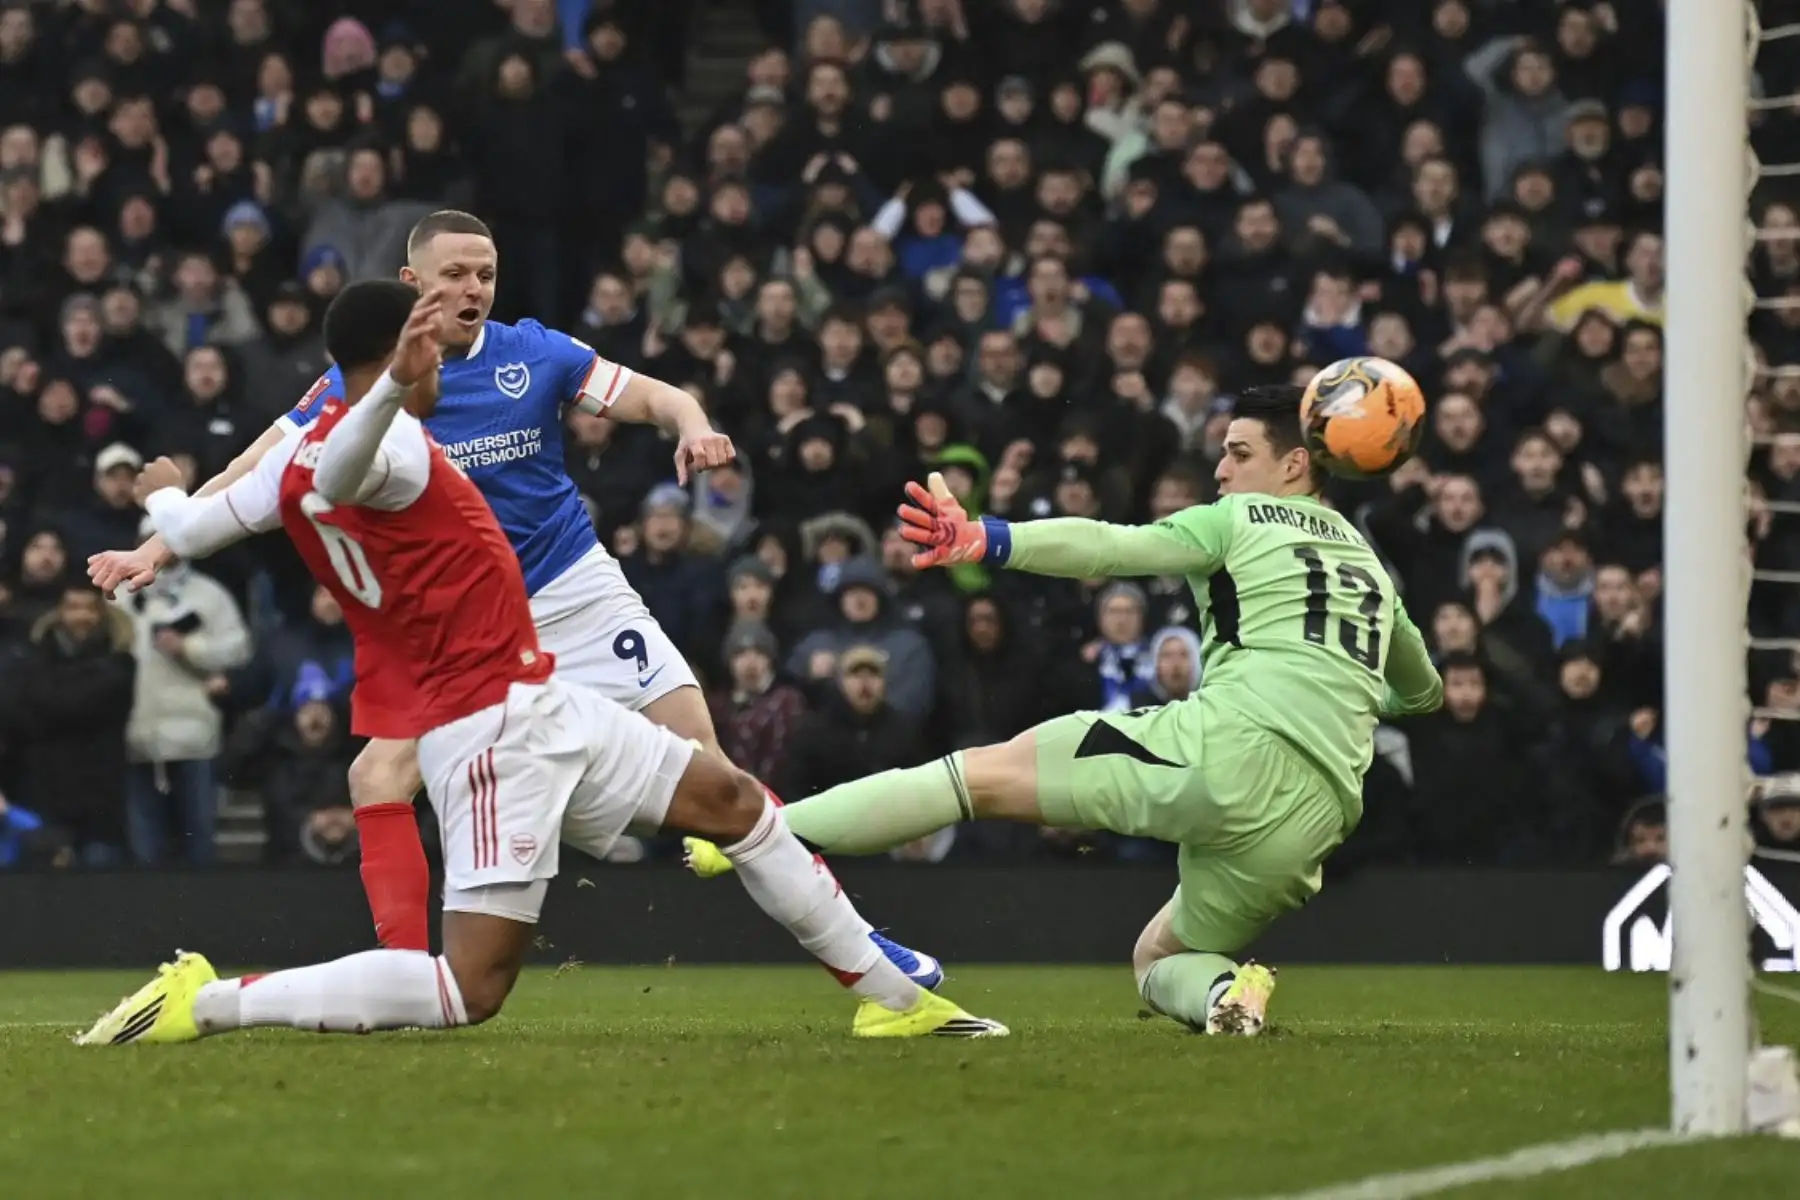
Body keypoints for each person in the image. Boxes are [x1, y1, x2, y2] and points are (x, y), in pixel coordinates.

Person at [77, 281, 1005, 1046]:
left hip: (539, 697)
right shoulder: (382, 443)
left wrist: (163, 505)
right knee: (467, 991)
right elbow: (348, 463)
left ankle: (897, 998)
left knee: (735, 803)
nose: (442, 369)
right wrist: (393, 389)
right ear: (399, 356)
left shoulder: (291, 469)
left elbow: (202, 523)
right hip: (487, 734)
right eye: (427, 354)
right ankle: (206, 1002)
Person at [687, 387, 1445, 1035]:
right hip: (1319, 816)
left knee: (974, 777)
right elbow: (1422, 692)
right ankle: (1224, 998)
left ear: (1297, 464)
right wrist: (1335, 685)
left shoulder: (1239, 519)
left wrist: (985, 537)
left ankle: (756, 831)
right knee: (1160, 959)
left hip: (1230, 745)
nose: (1220, 470)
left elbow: (1108, 547)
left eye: (1238, 453)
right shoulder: (1374, 573)